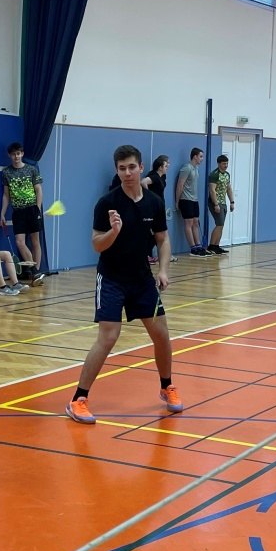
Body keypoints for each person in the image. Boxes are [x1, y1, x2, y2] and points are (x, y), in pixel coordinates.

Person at [65, 144, 181, 424]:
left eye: (131, 167)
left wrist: (163, 271)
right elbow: (96, 244)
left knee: (161, 335)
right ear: (116, 171)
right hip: (112, 278)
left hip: (141, 279)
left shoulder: (154, 202)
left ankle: (167, 386)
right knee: (108, 337)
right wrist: (114, 231)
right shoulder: (107, 203)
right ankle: (78, 399)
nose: (127, 173)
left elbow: (163, 239)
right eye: (121, 168)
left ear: (141, 167)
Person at [0, 142, 45, 285]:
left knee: (35, 241)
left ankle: (36, 273)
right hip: (18, 212)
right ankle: (35, 271)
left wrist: (37, 208)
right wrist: (2, 213)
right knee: (20, 242)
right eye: (13, 154)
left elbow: (38, 190)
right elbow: (6, 195)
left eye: (18, 153)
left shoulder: (31, 169)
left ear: (22, 154)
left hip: (32, 209)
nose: (16, 156)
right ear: (9, 155)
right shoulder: (6, 172)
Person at [176, 147, 209, 257]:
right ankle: (193, 248)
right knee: (188, 223)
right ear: (195, 156)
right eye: (201, 156)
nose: (202, 159)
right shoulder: (187, 168)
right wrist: (177, 201)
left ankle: (198, 245)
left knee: (195, 222)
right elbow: (180, 184)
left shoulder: (196, 168)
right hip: (186, 199)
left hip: (194, 200)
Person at [142, 155, 171, 264]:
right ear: (160, 167)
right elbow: (143, 182)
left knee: (159, 233)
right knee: (155, 232)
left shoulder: (162, 177)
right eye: (166, 165)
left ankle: (151, 255)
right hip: (152, 207)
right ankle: (145, 254)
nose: (168, 166)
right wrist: (149, 196)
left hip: (159, 206)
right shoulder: (154, 176)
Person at [206, 154, 235, 255]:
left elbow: (228, 189)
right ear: (219, 164)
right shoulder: (214, 174)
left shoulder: (227, 174)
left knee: (221, 225)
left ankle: (216, 246)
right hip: (215, 203)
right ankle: (211, 246)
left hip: (223, 203)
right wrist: (216, 204)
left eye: (226, 163)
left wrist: (232, 202)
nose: (225, 165)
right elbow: (212, 190)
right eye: (223, 164)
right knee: (219, 224)